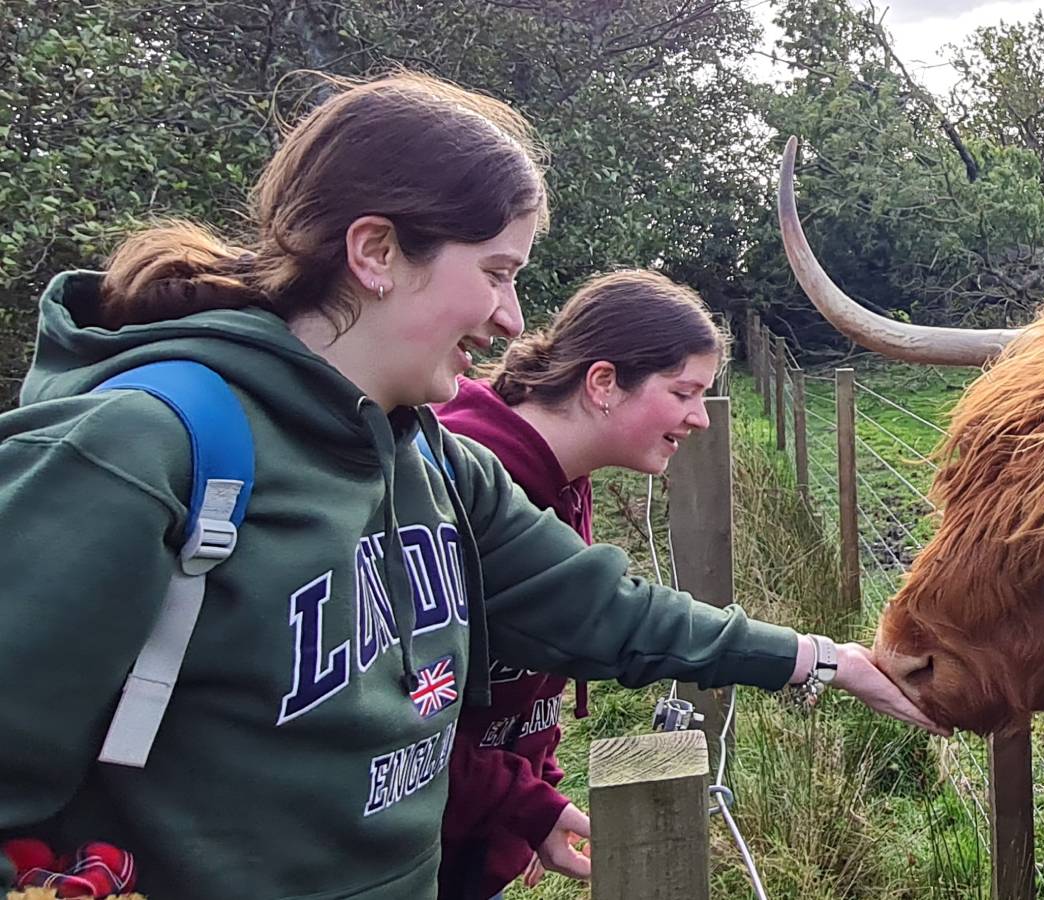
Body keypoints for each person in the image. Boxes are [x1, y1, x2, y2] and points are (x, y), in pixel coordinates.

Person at [0, 71, 941, 900]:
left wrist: (822, 659)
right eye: (495, 272)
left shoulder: (438, 463)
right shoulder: (141, 450)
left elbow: (607, 610)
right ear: (375, 254)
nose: (511, 317)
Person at [431, 268, 724, 899]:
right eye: (684, 392)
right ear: (603, 383)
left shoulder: (562, 473)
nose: (700, 418)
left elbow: (523, 673)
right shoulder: (463, 484)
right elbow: (404, 730)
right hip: (402, 854)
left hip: (466, 838)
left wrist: (530, 792)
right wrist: (520, 805)